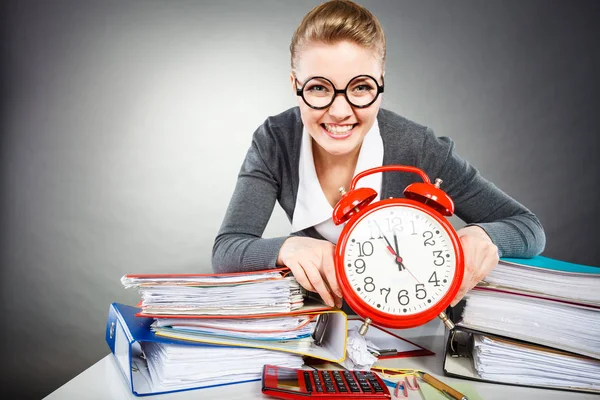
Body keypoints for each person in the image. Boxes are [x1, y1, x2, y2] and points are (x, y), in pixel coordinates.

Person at [212, 0, 545, 311]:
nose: (339, 111)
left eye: (360, 87)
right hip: (316, 332)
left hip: (413, 332)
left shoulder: (418, 147)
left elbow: (529, 228)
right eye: (318, 88)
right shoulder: (275, 140)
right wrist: (287, 247)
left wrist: (483, 235)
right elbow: (227, 250)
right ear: (295, 85)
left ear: (380, 84)